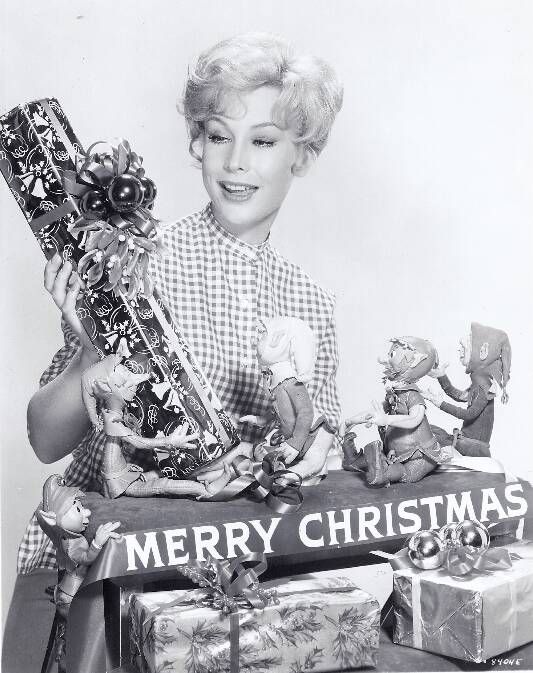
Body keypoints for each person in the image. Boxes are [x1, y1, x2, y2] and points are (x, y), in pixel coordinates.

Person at [4, 33, 343, 673]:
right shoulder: (136, 257)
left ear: (303, 152)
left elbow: (315, 459)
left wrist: (309, 451)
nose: (235, 162)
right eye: (218, 135)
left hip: (219, 588)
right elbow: (45, 441)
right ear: (197, 141)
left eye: (263, 141)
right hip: (107, 569)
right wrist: (90, 349)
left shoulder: (312, 301)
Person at [421, 322, 511, 457]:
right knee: (430, 430)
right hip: (467, 442)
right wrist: (441, 376)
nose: (460, 351)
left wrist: (440, 404)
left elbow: (469, 414)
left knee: (426, 435)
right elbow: (460, 395)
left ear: (482, 353)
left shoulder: (483, 386)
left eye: (464, 348)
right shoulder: (480, 382)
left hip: (472, 447)